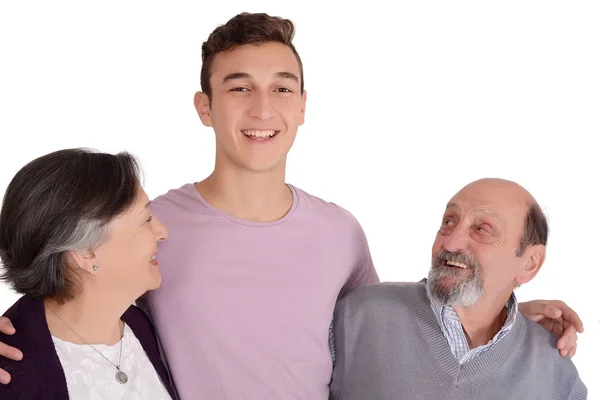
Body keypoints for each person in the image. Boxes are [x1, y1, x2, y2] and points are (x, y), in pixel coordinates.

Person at [0, 13, 584, 399]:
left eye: (282, 87)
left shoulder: (340, 233)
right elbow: (71, 290)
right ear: (204, 107)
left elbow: (393, 330)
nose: (262, 108)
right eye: (238, 87)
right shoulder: (153, 227)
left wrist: (506, 313)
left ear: (303, 105)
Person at [329, 178, 587, 400]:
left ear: (530, 263)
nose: (450, 243)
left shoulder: (555, 373)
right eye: (449, 221)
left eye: (481, 229)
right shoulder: (356, 316)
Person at [0, 149, 178, 399]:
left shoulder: (142, 326)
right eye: (146, 219)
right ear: (85, 252)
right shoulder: (11, 369)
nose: (162, 232)